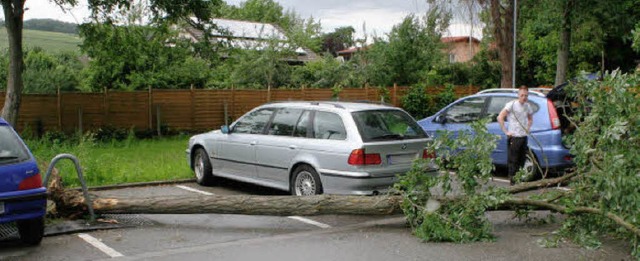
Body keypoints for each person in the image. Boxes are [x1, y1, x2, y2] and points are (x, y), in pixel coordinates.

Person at [497, 86, 534, 185]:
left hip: (523, 137)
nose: (524, 97)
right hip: (514, 137)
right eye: (522, 95)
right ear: (518, 95)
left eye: (526, 95)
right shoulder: (512, 105)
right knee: (513, 161)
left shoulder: (527, 106)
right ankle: (513, 183)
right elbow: (500, 117)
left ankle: (518, 180)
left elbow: (530, 118)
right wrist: (506, 131)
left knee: (522, 160)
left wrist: (528, 128)